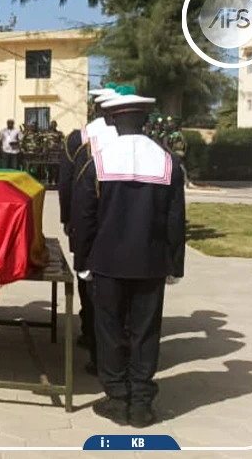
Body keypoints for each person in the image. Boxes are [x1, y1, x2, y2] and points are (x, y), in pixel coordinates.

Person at [74, 86, 185, 428]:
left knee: (109, 331)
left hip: (107, 263)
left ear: (112, 120)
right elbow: (175, 220)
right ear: (146, 121)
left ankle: (116, 399)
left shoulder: (99, 161)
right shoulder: (168, 162)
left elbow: (85, 218)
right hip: (151, 263)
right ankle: (141, 404)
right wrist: (174, 265)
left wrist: (82, 261)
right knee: (145, 331)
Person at [60, 85, 119, 375]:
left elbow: (67, 181)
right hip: (129, 229)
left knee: (88, 279)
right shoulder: (138, 139)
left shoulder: (80, 138)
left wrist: (66, 219)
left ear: (95, 108)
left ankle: (91, 335)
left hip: (86, 222)